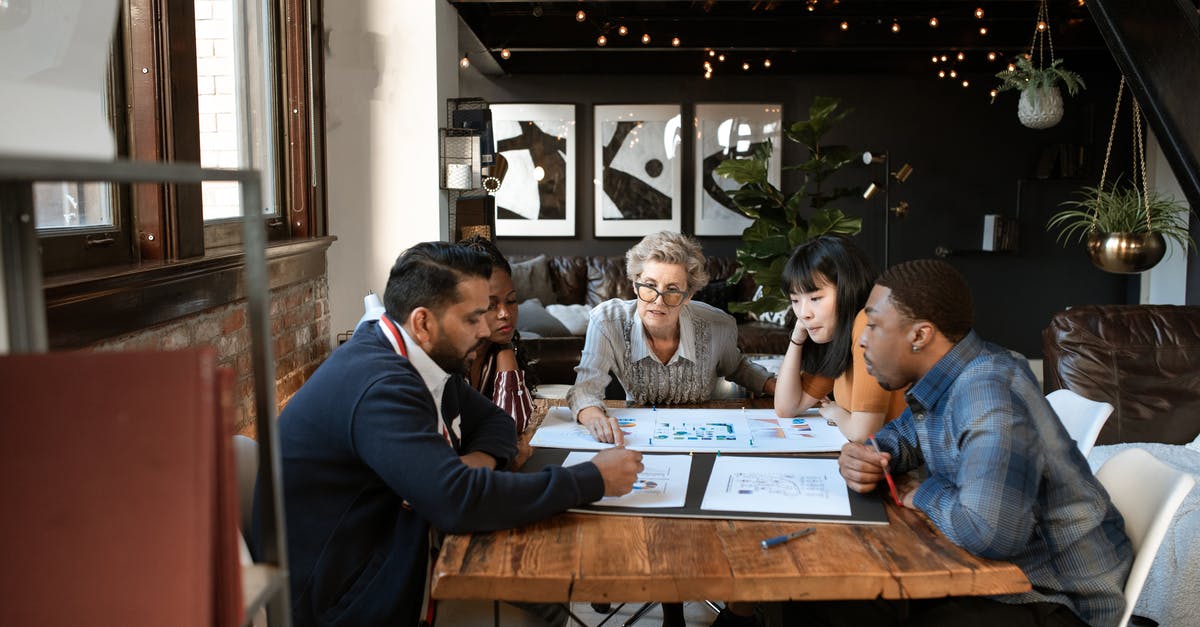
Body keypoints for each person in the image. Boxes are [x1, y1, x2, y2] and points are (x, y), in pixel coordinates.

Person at [260, 241, 644, 627]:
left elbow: (495, 422)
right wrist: (592, 478)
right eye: (473, 318)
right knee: (538, 598)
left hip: (389, 549)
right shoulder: (381, 385)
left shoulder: (415, 358)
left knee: (544, 597)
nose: (486, 328)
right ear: (424, 322)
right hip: (345, 600)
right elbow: (457, 502)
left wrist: (481, 460)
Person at [807, 259, 1132, 627]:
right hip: (1002, 575)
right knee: (826, 599)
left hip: (1053, 598)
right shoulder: (948, 377)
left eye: (875, 325)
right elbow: (900, 438)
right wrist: (868, 454)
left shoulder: (987, 391)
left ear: (920, 335)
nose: (862, 338)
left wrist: (923, 491)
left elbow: (988, 532)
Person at [567, 231, 776, 445]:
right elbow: (584, 389)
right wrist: (595, 419)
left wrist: (774, 386)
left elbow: (736, 366)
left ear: (689, 296)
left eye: (672, 290)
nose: (658, 301)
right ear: (634, 283)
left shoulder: (718, 325)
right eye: (649, 286)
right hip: (639, 437)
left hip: (700, 437)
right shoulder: (607, 321)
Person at [773, 235, 907, 443]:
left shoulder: (867, 324)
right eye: (795, 301)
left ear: (848, 289)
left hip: (908, 466)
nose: (804, 313)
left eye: (816, 298)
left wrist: (836, 412)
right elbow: (787, 407)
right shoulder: (839, 336)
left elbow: (865, 433)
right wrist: (797, 337)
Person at [458, 235, 537, 469]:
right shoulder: (449, 358)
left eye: (511, 301)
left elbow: (514, 425)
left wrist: (506, 350)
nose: (505, 314)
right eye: (491, 305)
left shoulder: (496, 351)